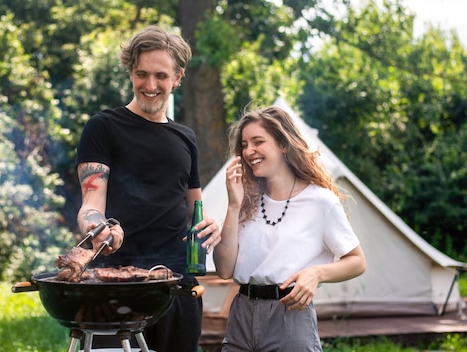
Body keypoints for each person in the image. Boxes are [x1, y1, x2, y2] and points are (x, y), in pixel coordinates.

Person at [75, 25, 221, 351]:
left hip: (175, 287)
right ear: (130, 73)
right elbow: (90, 202)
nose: (150, 85)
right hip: (114, 289)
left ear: (178, 78)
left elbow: (194, 209)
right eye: (141, 74)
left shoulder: (186, 138)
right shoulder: (104, 127)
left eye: (161, 76)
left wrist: (209, 225)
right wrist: (98, 227)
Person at [213, 106, 366, 351]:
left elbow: (357, 261)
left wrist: (317, 274)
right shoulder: (245, 199)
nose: (249, 151)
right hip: (241, 314)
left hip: (290, 316)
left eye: (258, 142)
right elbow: (224, 269)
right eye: (244, 144)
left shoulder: (320, 201)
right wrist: (233, 205)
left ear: (283, 145)